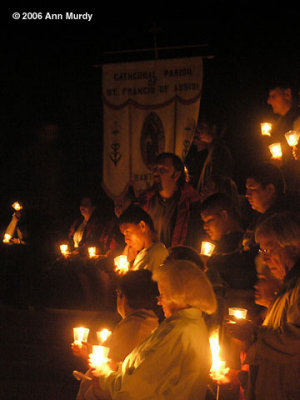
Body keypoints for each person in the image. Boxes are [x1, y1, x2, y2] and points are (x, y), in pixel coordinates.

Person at [87, 259, 217, 400]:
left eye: (162, 294)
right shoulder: (185, 326)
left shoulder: (178, 333)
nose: (159, 302)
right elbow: (150, 369)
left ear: (177, 297)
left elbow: (138, 388)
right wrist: (117, 367)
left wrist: (104, 376)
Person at [228, 211, 300, 400]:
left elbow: (294, 341)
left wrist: (253, 333)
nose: (265, 259)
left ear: (293, 247)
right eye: (261, 251)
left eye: (269, 249)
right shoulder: (287, 289)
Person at [74, 269, 159, 400]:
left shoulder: (133, 329)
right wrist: (89, 352)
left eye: (118, 293)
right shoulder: (148, 322)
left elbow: (110, 372)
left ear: (123, 297)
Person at [137, 152, 201, 249]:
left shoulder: (190, 204)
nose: (156, 173)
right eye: (155, 169)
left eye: (162, 170)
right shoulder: (146, 200)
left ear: (176, 175)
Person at [243, 162, 288, 253]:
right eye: (247, 189)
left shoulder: (278, 223)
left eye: (252, 189)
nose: (247, 195)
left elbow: (255, 253)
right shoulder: (258, 218)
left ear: (270, 189)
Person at [266, 81, 300, 190]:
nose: (269, 101)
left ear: (288, 94)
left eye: (273, 96)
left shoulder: (297, 120)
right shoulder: (279, 124)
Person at [118, 204, 168, 272]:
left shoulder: (157, 253)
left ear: (142, 226)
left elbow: (143, 282)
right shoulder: (143, 254)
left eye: (127, 232)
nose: (126, 240)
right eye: (124, 235)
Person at [195, 114, 234, 194]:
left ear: (213, 129)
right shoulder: (213, 151)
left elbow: (215, 185)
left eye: (202, 127)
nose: (198, 131)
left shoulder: (219, 152)